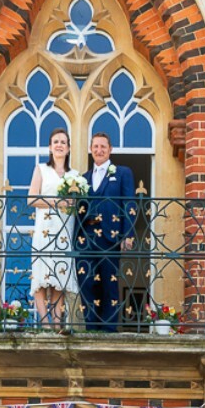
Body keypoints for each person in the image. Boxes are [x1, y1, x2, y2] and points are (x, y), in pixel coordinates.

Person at [77, 132, 135, 332]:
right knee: (86, 282)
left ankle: (109, 329)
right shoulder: (83, 178)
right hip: (86, 237)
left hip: (110, 236)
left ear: (110, 150)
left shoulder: (122, 173)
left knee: (109, 282)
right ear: (91, 150)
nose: (99, 150)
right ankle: (91, 327)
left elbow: (129, 203)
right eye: (95, 147)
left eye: (103, 146)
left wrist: (128, 234)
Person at [28, 127, 78, 330]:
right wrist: (57, 202)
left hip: (65, 229)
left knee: (59, 276)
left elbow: (76, 204)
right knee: (42, 275)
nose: (59, 145)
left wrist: (70, 203)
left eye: (63, 142)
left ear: (68, 148)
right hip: (44, 228)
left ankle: (57, 323)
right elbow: (32, 199)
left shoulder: (74, 175)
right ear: (50, 147)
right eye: (56, 141)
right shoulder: (41, 169)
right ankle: (44, 322)